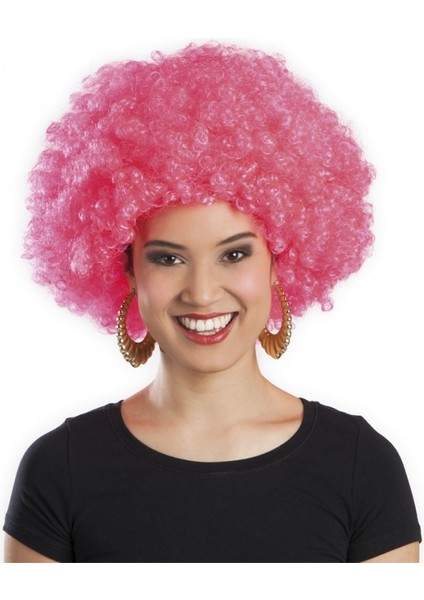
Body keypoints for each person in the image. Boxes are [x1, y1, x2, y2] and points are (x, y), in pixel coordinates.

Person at [3, 42, 421, 563]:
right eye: (168, 259)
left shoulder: (360, 465)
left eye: (234, 254)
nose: (201, 293)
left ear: (280, 259)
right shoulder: (60, 468)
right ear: (127, 268)